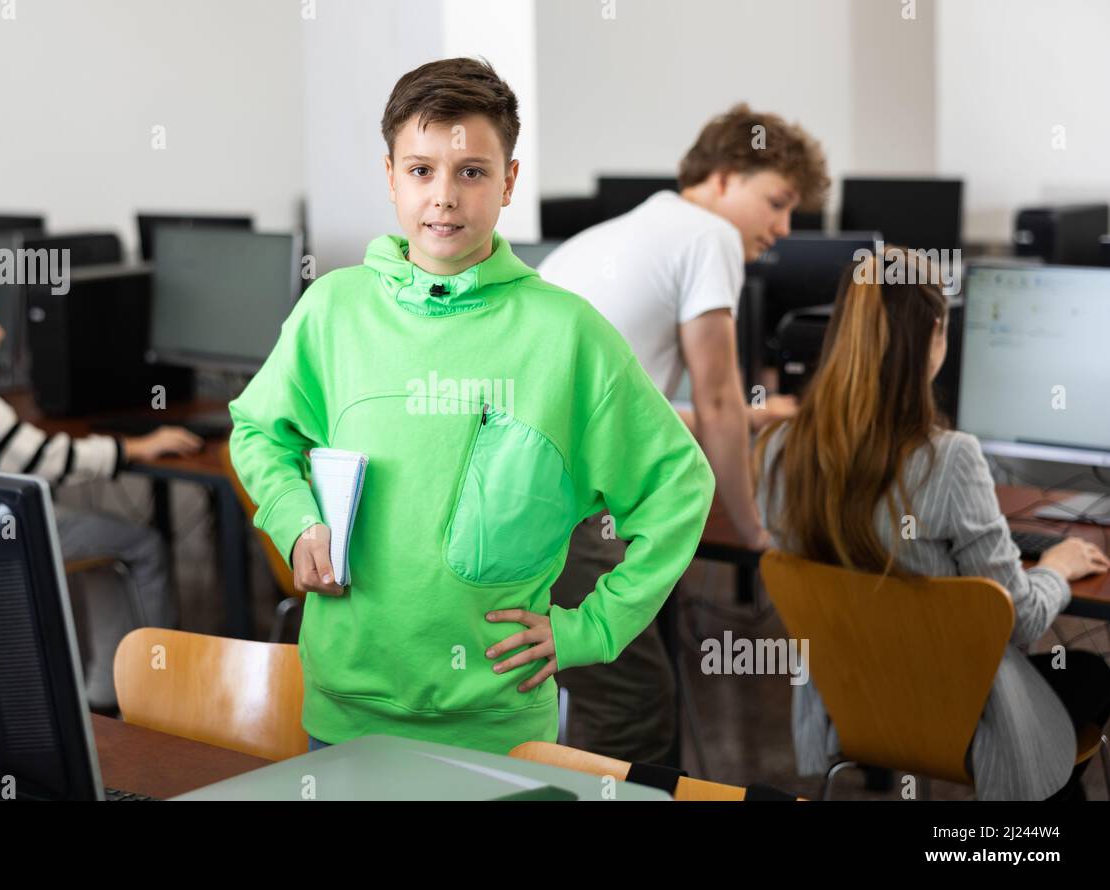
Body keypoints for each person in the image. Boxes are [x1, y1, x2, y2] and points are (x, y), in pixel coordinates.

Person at [228, 57, 715, 755]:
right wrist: (295, 519)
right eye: (421, 170)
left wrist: (590, 628)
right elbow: (256, 429)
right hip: (344, 716)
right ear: (390, 176)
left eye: (473, 172)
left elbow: (679, 487)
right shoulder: (332, 310)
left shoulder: (568, 334)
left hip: (497, 728)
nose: (444, 197)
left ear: (509, 181)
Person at [754, 247, 1110, 800]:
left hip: (854, 706)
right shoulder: (951, 459)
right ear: (937, 334)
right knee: (1090, 674)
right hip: (958, 718)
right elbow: (1018, 622)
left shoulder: (779, 450)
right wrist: (1058, 568)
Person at [538, 104, 829, 762]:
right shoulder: (708, 237)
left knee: (607, 683)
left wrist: (755, 415)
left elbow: (633, 408)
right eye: (778, 203)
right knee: (633, 703)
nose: (783, 229)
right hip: (564, 514)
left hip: (514, 504)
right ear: (724, 178)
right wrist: (756, 535)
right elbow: (718, 399)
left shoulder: (616, 235)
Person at [0, 276, 202, 710]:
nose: (1, 333)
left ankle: (106, 690)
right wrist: (137, 446)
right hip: (9, 533)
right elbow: (46, 460)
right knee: (144, 543)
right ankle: (164, 691)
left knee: (109, 547)